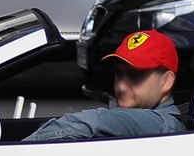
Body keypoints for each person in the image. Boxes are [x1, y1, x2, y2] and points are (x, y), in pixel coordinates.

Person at [24, 29, 185, 142]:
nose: (121, 86)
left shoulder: (162, 125)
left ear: (166, 82)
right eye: (119, 73)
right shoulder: (145, 128)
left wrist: (25, 145)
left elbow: (95, 122)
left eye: (135, 76)